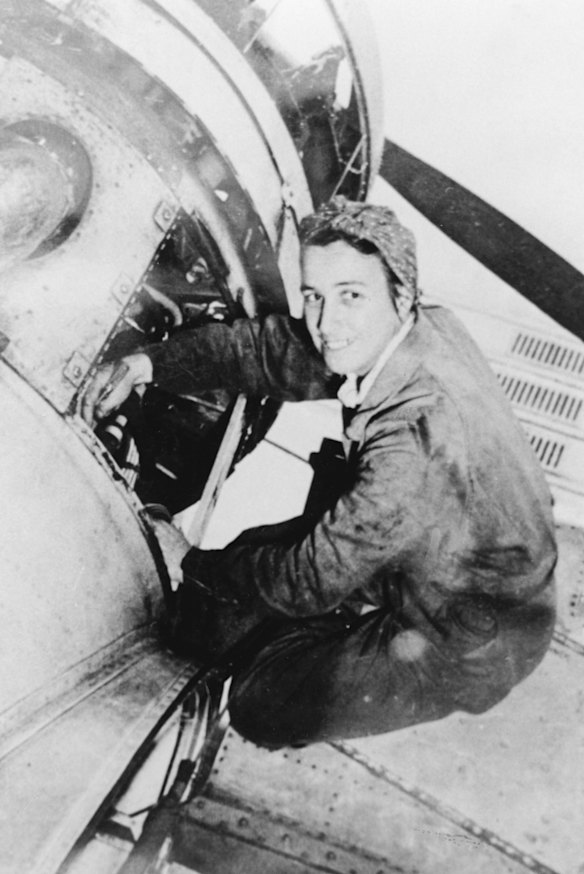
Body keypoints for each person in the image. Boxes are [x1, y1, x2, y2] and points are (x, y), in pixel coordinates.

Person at [81, 197, 557, 749]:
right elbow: (272, 351)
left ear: (401, 296)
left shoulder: (413, 445)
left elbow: (307, 580)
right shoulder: (411, 332)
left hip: (471, 632)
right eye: (314, 296)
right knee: (237, 584)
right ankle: (324, 612)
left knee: (262, 699)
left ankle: (338, 629)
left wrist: (186, 557)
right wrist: (149, 364)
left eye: (350, 296)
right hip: (439, 547)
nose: (327, 323)